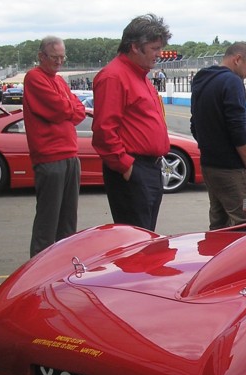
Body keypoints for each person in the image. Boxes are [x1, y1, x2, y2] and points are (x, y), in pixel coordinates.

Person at [92, 14, 172, 231]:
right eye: (155, 48)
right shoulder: (114, 77)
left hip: (149, 168)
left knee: (145, 236)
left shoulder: (139, 75)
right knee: (135, 241)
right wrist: (125, 166)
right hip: (134, 169)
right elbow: (104, 130)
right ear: (135, 47)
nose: (159, 54)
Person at [23, 36, 86, 257]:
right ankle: (37, 274)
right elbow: (60, 109)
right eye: (54, 57)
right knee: (47, 224)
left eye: (62, 57)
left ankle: (63, 267)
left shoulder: (59, 81)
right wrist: (69, 109)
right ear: (41, 56)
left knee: (68, 223)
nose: (59, 62)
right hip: (50, 158)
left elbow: (78, 111)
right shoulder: (34, 78)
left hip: (69, 155)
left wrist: (68, 109)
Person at [190, 42, 246, 230]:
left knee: (219, 220)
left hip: (210, 165)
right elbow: (238, 128)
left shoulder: (202, 78)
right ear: (237, 59)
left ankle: (216, 255)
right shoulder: (233, 82)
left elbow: (194, 123)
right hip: (234, 168)